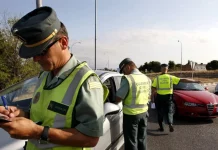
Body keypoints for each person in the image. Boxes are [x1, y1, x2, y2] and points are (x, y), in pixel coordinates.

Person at [0, 6, 108, 150]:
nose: (35, 59)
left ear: (63, 42)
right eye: (33, 53)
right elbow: (44, 116)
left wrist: (37, 132)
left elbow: (90, 139)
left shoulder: (86, 81)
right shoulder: (44, 75)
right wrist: (21, 113)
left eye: (42, 51)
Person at [151, 64, 200, 132]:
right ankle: (170, 124)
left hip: (160, 97)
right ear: (167, 70)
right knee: (170, 111)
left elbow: (153, 89)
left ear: (161, 69)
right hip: (169, 97)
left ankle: (161, 127)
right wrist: (195, 81)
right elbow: (183, 80)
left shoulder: (157, 78)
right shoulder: (171, 77)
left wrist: (152, 99)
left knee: (160, 113)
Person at [115, 58, 151, 150]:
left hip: (131, 115)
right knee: (142, 139)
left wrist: (114, 101)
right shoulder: (146, 78)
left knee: (131, 141)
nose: (124, 73)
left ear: (128, 67)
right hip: (144, 113)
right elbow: (148, 96)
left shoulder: (128, 79)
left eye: (123, 71)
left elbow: (118, 98)